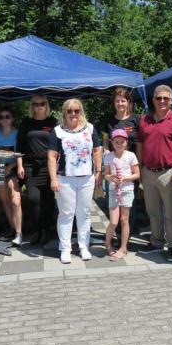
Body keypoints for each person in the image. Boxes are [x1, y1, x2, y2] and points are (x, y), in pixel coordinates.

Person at [137, 84, 172, 262]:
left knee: (171, 212)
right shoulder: (145, 120)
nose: (162, 101)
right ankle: (156, 241)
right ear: (153, 100)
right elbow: (140, 145)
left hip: (168, 172)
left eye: (166, 98)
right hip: (148, 171)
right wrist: (139, 168)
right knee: (153, 210)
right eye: (158, 98)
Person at [48, 98, 102, 264]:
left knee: (84, 214)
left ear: (81, 112)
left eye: (76, 110)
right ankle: (65, 249)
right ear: (64, 112)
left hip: (86, 178)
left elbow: (97, 150)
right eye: (69, 111)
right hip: (65, 179)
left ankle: (84, 247)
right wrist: (53, 179)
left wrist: (98, 172)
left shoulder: (90, 128)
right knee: (66, 214)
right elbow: (51, 156)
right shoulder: (57, 131)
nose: (73, 114)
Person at [101, 87, 141, 239]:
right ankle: (116, 232)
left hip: (130, 167)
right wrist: (105, 153)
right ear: (114, 103)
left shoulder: (136, 119)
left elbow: (141, 143)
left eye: (123, 100)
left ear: (128, 102)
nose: (120, 103)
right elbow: (105, 140)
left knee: (129, 202)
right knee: (113, 201)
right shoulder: (109, 119)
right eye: (117, 101)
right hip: (112, 167)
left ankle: (127, 236)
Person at [18, 95, 58, 244]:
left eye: (42, 104)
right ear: (32, 106)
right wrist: (20, 164)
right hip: (30, 166)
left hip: (49, 165)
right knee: (34, 198)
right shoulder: (26, 122)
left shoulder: (53, 123)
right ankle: (36, 229)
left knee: (48, 199)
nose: (39, 106)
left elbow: (58, 145)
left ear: (46, 105)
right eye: (35, 104)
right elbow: (19, 146)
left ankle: (46, 229)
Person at [0, 107, 23, 246]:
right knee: (5, 201)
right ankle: (14, 230)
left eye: (7, 116)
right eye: (1, 117)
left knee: (15, 201)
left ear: (12, 119)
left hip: (13, 169)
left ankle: (19, 232)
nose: (4, 119)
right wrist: (1, 167)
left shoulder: (18, 134)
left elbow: (20, 154)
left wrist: (11, 167)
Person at [103, 129, 140, 261]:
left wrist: (125, 178)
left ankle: (123, 248)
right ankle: (107, 245)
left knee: (125, 220)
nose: (119, 144)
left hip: (127, 191)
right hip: (113, 191)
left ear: (126, 143)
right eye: (116, 142)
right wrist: (111, 178)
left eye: (122, 142)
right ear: (112, 142)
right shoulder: (108, 156)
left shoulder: (131, 155)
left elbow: (137, 174)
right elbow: (106, 175)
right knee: (113, 221)